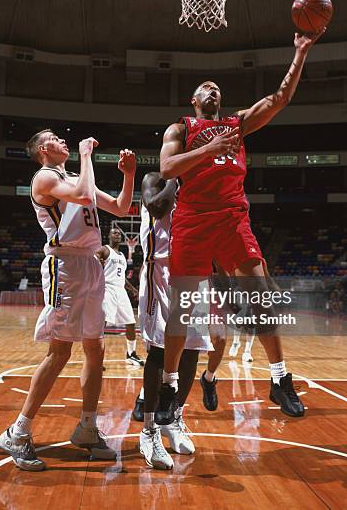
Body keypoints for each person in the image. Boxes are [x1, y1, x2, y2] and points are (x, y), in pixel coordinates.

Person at [156, 30, 324, 424]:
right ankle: (166, 385)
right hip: (193, 221)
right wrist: (209, 149)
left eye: (217, 87)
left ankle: (280, 379)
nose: (212, 89)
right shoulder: (180, 129)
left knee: (263, 297)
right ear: (194, 102)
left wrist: (299, 51)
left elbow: (279, 98)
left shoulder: (237, 124)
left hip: (232, 219)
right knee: (181, 310)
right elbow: (166, 169)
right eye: (205, 88)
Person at [0, 129, 135, 471]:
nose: (63, 142)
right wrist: (85, 154)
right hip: (66, 266)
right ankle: (18, 431)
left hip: (91, 264)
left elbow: (119, 208)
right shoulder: (44, 178)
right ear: (44, 149)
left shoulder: (74, 176)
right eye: (57, 139)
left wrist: (128, 175)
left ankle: (88, 427)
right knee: (59, 351)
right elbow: (82, 195)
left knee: (96, 348)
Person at [135, 172, 213, 470]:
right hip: (162, 271)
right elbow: (157, 207)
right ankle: (149, 431)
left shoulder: (201, 184)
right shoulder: (155, 179)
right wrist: (177, 178)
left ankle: (174, 418)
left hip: (195, 270)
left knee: (192, 349)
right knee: (159, 350)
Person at [96, 228, 144, 366]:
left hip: (120, 290)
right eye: (114, 232)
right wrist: (97, 260)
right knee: (102, 324)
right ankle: (96, 358)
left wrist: (134, 290)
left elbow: (122, 278)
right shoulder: (105, 249)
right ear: (109, 236)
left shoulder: (122, 255)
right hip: (107, 289)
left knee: (130, 322)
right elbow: (95, 255)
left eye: (118, 233)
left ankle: (131, 354)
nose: (117, 234)